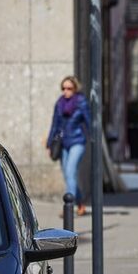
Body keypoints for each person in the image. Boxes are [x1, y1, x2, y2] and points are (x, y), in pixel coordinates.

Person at [47, 75, 90, 216]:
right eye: (64, 88)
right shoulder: (59, 103)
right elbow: (54, 124)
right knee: (67, 175)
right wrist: (49, 143)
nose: (66, 91)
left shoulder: (81, 102)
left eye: (69, 88)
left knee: (71, 171)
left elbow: (90, 121)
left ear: (75, 89)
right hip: (63, 142)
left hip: (77, 141)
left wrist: (93, 138)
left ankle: (69, 208)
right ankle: (81, 202)